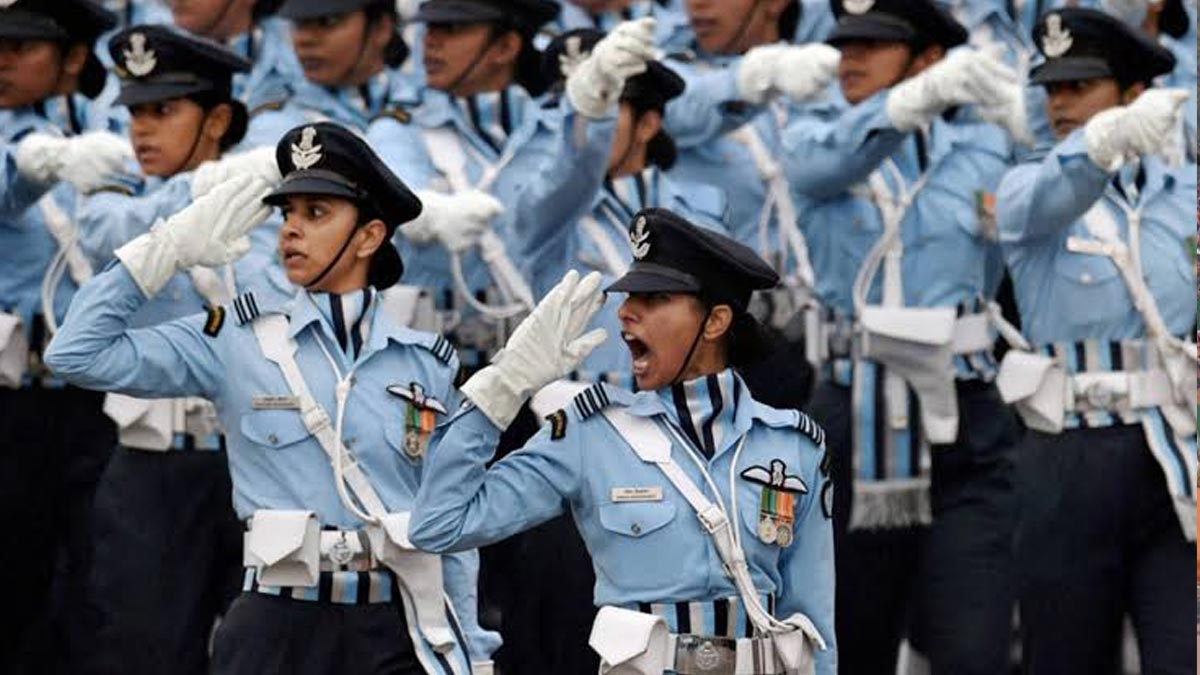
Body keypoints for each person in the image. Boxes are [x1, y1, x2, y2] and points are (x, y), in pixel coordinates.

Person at [45, 122, 500, 674]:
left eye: (316, 213)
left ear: (369, 236)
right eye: (286, 214)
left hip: (391, 628)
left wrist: (470, 652)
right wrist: (164, 249)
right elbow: (74, 353)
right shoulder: (236, 340)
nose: (290, 231)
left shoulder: (425, 361)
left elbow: (451, 525)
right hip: (275, 626)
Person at [410, 208, 836, 675]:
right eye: (630, 296)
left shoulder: (793, 446)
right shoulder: (591, 434)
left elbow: (814, 626)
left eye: (654, 298)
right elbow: (439, 525)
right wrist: (503, 385)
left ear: (715, 322)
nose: (626, 313)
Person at [780, 1, 1028, 672]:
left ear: (927, 59)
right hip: (852, 412)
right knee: (850, 642)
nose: (850, 57)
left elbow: (1045, 203)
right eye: (845, 42)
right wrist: (906, 103)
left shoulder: (983, 143)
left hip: (966, 416)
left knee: (972, 649)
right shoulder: (814, 134)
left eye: (875, 44)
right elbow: (817, 169)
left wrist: (1024, 124)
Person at [995, 8, 1195, 673]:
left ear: (1134, 94)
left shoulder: (1185, 194)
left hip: (1172, 453)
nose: (1061, 104)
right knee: (1067, 658)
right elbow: (1048, 195)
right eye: (1053, 89)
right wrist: (1099, 141)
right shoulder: (1029, 189)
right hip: (1068, 459)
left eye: (1081, 88)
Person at [72, 26, 274, 675]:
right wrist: (202, 190)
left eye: (164, 111)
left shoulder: (269, 209)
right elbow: (109, 231)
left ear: (217, 119)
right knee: (143, 645)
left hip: (253, 460)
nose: (141, 130)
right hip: (153, 464)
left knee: (262, 649)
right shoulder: (112, 200)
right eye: (135, 111)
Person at [0, 1, 127, 671]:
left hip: (102, 397)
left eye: (24, 46)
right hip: (13, 397)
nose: (3, 59)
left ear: (75, 57)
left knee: (99, 581)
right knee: (11, 578)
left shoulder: (123, 132)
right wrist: (38, 164)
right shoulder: (8, 138)